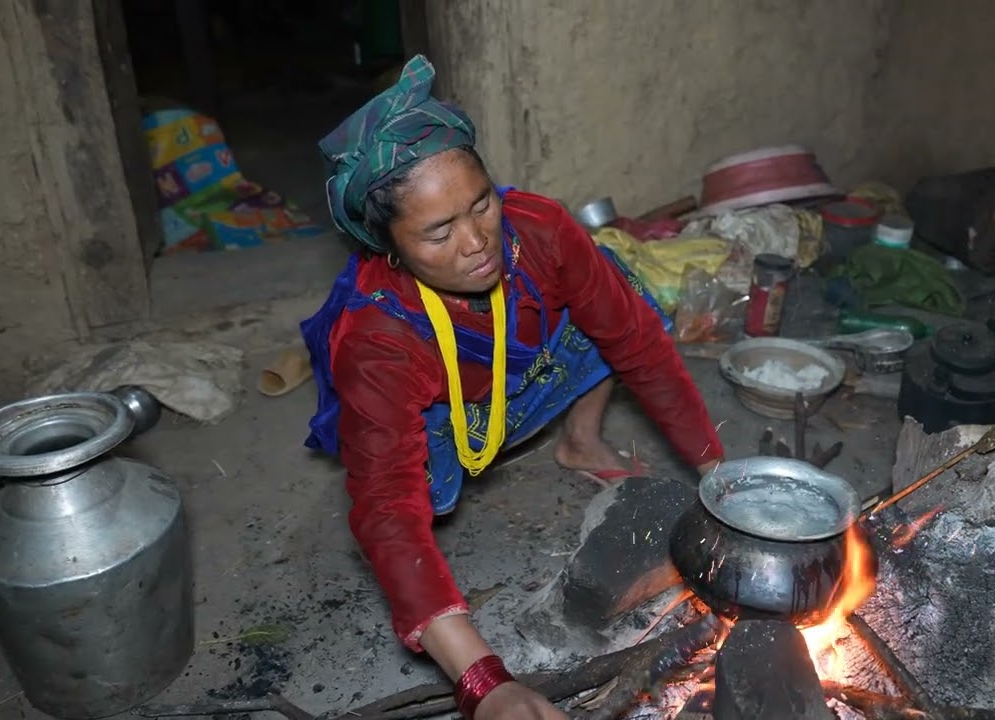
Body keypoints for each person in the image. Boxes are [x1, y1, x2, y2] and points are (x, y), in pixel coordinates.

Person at [301, 55, 725, 720]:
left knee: (617, 295)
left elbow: (637, 343)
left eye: (481, 203)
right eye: (439, 232)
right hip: (446, 410)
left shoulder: (540, 229)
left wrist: (719, 472)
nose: (478, 243)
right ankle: (464, 452)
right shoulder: (378, 337)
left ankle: (580, 443)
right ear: (388, 246)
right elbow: (386, 512)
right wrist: (484, 683)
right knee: (420, 498)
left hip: (512, 369)